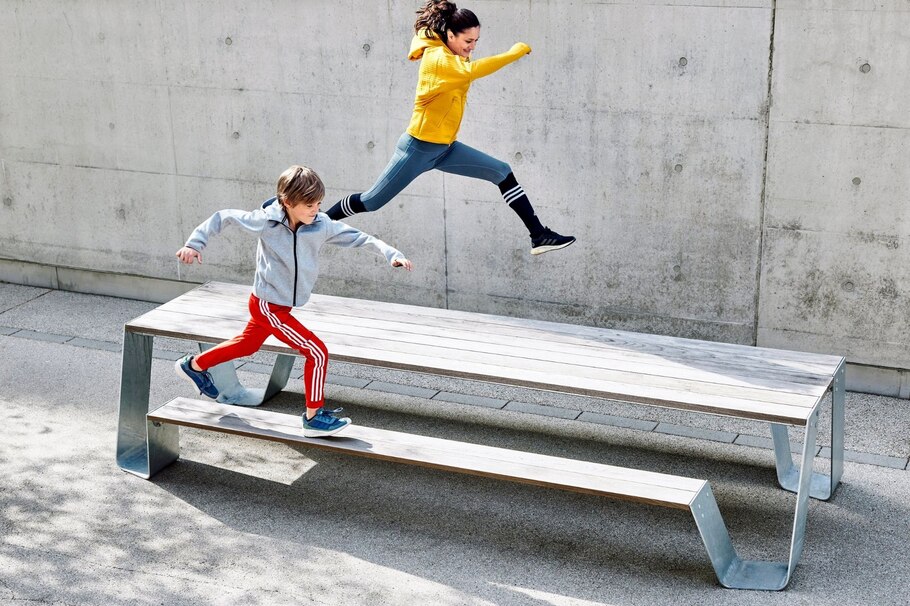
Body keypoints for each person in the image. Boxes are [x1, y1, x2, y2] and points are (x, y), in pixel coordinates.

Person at [174, 165, 413, 438]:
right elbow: (223, 216)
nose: (316, 210)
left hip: (277, 305)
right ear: (287, 202)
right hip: (268, 304)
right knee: (317, 352)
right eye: (309, 205)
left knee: (248, 344)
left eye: (319, 203)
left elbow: (360, 238)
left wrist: (391, 254)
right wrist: (195, 244)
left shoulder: (321, 225)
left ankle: (193, 365)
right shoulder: (266, 221)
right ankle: (313, 417)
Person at [326, 0, 575, 256]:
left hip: (446, 149)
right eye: (468, 41)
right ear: (450, 35)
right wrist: (514, 52)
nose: (472, 47)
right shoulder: (438, 59)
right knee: (371, 201)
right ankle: (319, 222)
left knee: (502, 171)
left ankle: (539, 235)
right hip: (417, 150)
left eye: (476, 41)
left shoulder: (452, 54)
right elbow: (472, 71)